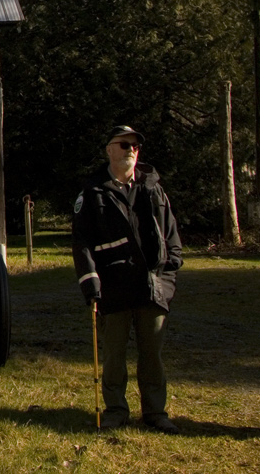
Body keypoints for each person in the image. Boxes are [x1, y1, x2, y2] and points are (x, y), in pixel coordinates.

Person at [72, 125, 183, 433]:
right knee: (114, 354)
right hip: (113, 287)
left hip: (152, 286)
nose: (131, 149)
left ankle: (155, 412)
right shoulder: (93, 192)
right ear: (109, 150)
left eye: (135, 145)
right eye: (124, 144)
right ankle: (116, 410)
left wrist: (169, 271)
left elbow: (171, 233)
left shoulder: (152, 187)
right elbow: (81, 242)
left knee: (152, 355)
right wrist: (91, 282)